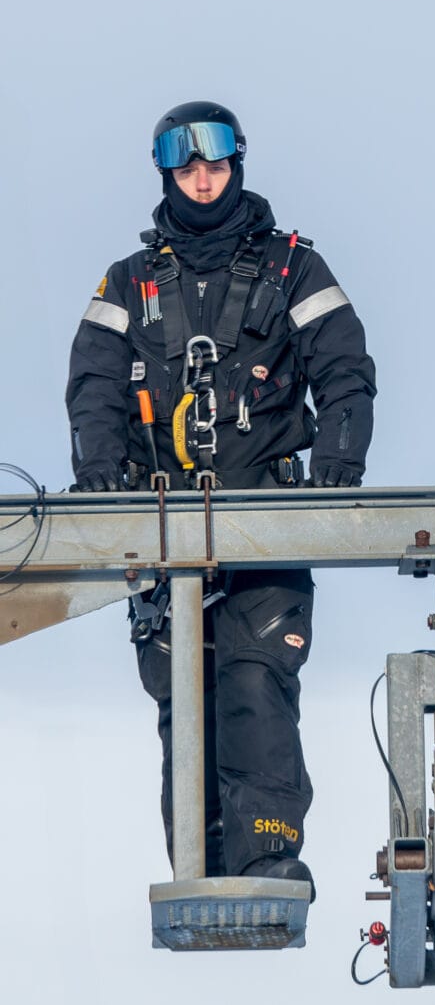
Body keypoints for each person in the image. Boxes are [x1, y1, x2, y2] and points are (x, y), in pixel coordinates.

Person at [65, 100, 376, 895]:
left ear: (238, 164)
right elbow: (94, 386)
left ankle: (268, 861)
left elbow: (344, 368)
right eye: (187, 169)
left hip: (266, 525)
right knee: (184, 699)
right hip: (161, 532)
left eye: (216, 166)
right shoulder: (127, 284)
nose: (204, 182)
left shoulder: (293, 269)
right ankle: (199, 871)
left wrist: (340, 460)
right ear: (167, 173)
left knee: (253, 682)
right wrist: (99, 470)